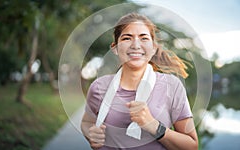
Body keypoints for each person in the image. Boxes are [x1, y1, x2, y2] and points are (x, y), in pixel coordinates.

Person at [81, 13, 198, 150]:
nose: (136, 45)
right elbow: (86, 122)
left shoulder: (172, 86)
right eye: (127, 38)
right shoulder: (99, 87)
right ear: (115, 48)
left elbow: (192, 145)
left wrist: (154, 126)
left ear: (153, 48)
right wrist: (90, 134)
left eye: (143, 38)